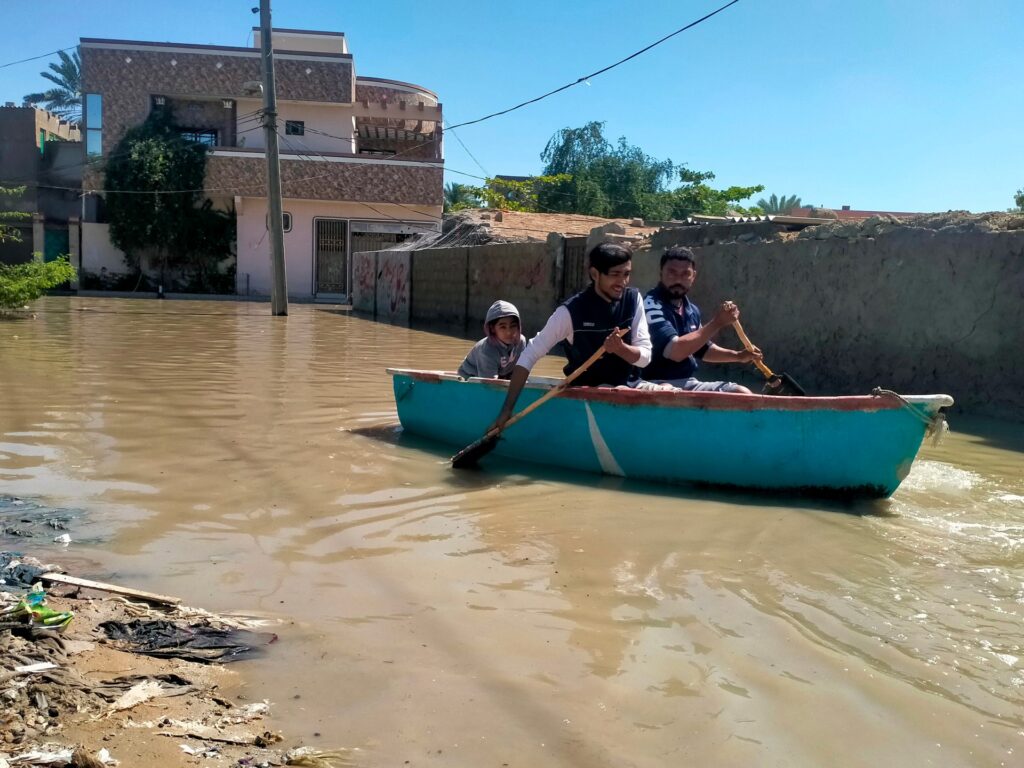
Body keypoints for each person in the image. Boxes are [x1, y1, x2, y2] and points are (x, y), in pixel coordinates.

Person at [487, 241, 653, 431]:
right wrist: (506, 410)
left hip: (632, 386)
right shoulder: (570, 312)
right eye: (615, 275)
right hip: (591, 391)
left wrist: (620, 349)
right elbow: (528, 356)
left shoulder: (633, 300)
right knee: (619, 391)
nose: (622, 282)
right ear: (594, 274)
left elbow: (645, 359)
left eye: (627, 274)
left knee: (668, 388)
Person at [642, 246, 762, 393]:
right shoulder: (651, 305)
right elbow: (675, 352)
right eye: (672, 272)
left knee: (741, 393)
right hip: (654, 383)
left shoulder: (691, 310)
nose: (678, 279)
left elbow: (701, 349)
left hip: (686, 382)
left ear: (694, 276)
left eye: (685, 274)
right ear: (661, 273)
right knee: (666, 392)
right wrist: (717, 323)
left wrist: (739, 356)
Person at [458, 300, 526, 380]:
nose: (509, 332)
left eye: (513, 325)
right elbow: (489, 383)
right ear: (492, 328)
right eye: (503, 327)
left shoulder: (521, 342)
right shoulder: (487, 350)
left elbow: (519, 369)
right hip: (471, 376)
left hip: (500, 374)